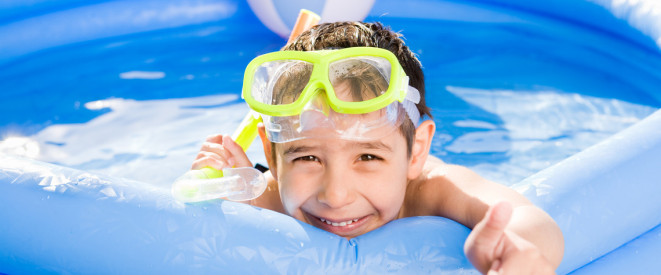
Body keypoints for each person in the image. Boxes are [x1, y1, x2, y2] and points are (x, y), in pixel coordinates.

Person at [191, 22, 564, 274]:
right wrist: (225, 200)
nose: (335, 196)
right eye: (307, 157)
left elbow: (526, 217)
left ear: (416, 151)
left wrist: (514, 248)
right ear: (271, 155)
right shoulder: (262, 196)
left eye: (368, 156)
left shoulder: (432, 189)